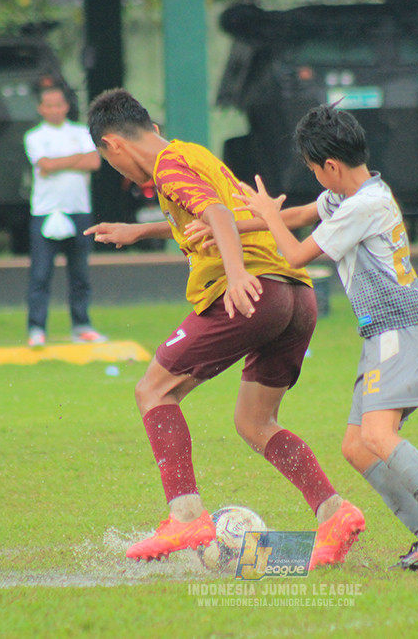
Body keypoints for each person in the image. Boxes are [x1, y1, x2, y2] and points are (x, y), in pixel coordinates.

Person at [83, 88, 365, 568]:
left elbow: (216, 216)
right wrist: (141, 230)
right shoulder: (190, 155)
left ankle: (185, 515)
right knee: (255, 422)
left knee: (153, 390)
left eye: (111, 162)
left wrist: (235, 275)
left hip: (252, 291)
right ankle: (334, 513)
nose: (121, 173)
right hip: (295, 295)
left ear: (113, 145)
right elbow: (216, 213)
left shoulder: (167, 168)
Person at [224, 104, 418, 571]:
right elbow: (299, 214)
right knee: (357, 447)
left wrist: (266, 214)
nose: (313, 177)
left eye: (312, 168)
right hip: (382, 335)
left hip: (397, 332)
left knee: (378, 435)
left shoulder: (364, 206)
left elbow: (296, 254)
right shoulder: (349, 195)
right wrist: (227, 228)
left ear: (331, 166)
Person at [23, 84, 108, 348]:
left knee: (80, 273)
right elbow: (44, 164)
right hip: (45, 212)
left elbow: (94, 162)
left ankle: (82, 326)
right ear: (41, 109)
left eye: (58, 105)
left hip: (78, 211)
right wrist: (75, 159)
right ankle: (36, 329)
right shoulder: (34, 136)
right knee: (40, 273)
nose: (54, 110)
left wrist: (56, 163)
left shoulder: (81, 132)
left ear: (66, 106)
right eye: (49, 105)